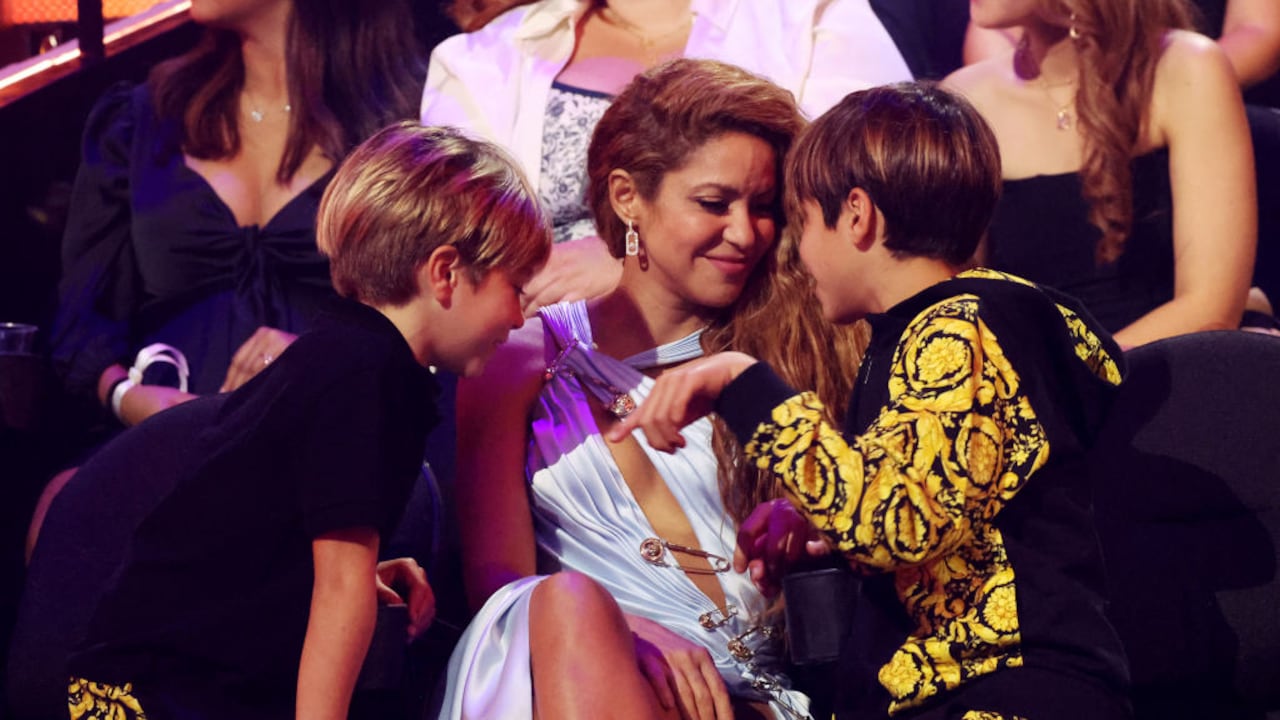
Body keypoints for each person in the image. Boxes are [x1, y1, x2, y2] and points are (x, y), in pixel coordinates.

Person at [613, 82, 1132, 720]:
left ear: (857, 215)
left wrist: (740, 383)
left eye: (803, 222)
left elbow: (897, 523)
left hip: (1003, 694)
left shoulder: (956, 334)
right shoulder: (961, 327)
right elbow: (954, 498)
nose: (798, 255)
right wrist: (818, 523)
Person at [59, 123, 551, 720]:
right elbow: (338, 589)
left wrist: (357, 572)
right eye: (515, 287)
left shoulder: (343, 354)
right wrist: (349, 581)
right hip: (147, 697)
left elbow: (257, 539)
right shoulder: (369, 377)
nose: (519, 315)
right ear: (446, 272)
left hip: (132, 687)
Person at [436, 58, 864, 720]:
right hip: (594, 673)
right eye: (714, 204)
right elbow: (498, 583)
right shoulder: (520, 359)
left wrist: (808, 532)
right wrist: (625, 631)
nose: (745, 233)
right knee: (566, 606)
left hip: (764, 700)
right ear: (627, 196)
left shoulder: (786, 361)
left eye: (763, 208)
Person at [50, 0, 426, 431]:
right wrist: (125, 396)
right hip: (166, 442)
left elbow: (438, 317)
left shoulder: (408, 126)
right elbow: (81, 314)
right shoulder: (143, 119)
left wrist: (331, 359)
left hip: (337, 434)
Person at [421, 0, 912, 314]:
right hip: (545, 351)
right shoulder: (482, 58)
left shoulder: (809, 17)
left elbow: (883, 197)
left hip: (762, 333)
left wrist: (632, 260)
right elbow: (458, 256)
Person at [944, 0, 1256, 347]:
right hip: (1031, 375)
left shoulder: (1187, 68)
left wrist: (1077, 373)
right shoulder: (965, 102)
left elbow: (1211, 307)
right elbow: (954, 313)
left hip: (1171, 364)